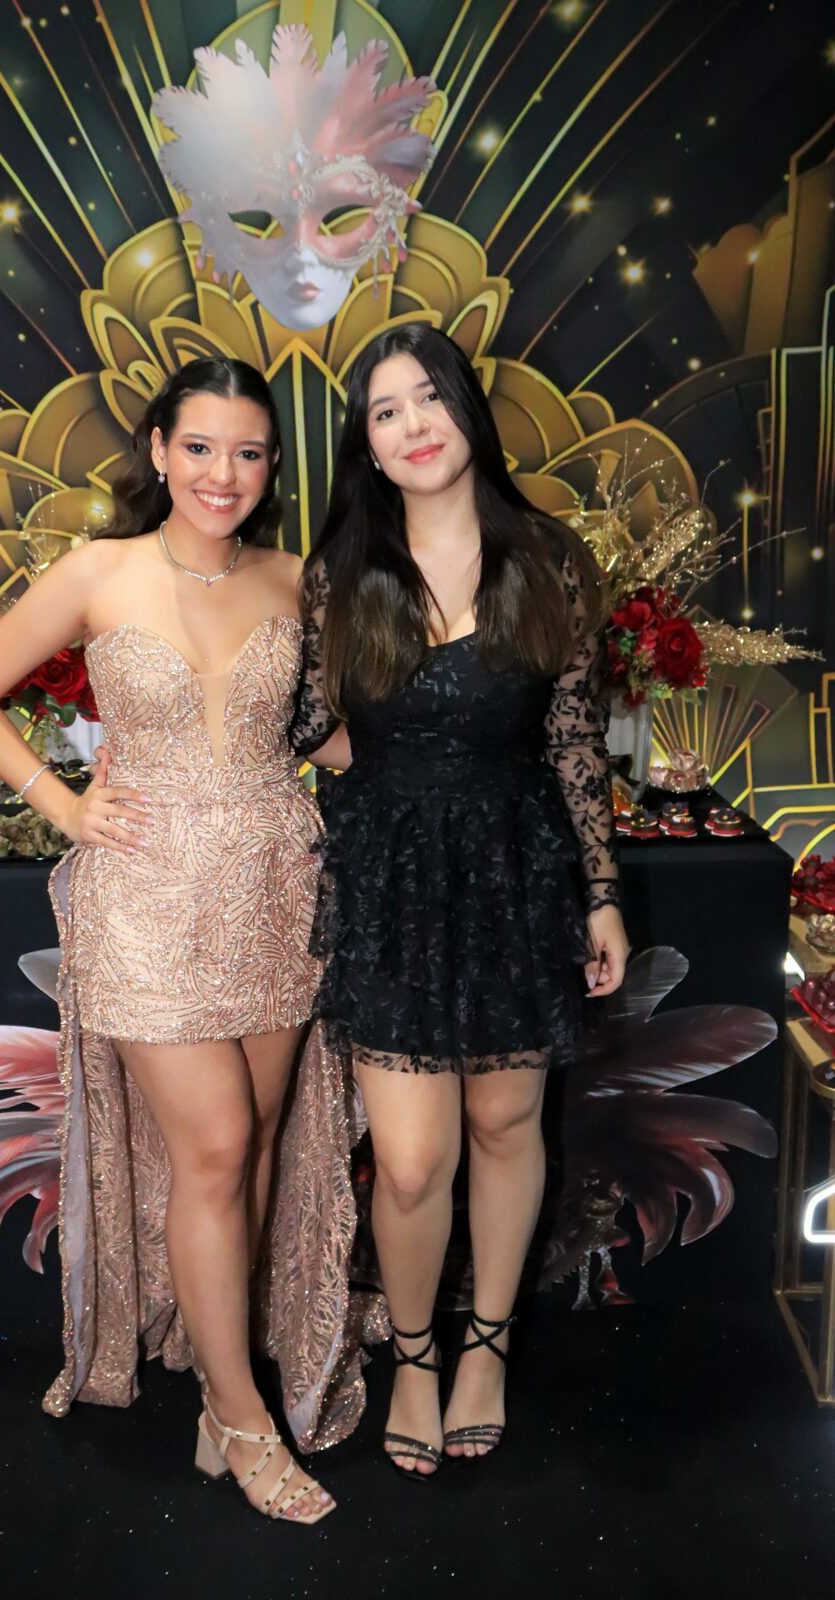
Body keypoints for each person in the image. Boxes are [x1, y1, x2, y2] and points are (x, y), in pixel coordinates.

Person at [0, 358, 348, 1525]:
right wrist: (60, 804)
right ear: (160, 450)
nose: (224, 473)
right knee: (213, 1143)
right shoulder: (98, 570)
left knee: (251, 1148)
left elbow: (328, 737)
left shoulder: (296, 579)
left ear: (270, 466)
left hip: (275, 887)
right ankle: (243, 1417)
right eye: (200, 447)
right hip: (146, 893)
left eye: (249, 452)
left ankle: (223, 1387)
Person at [290, 322, 629, 1479]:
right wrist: (389, 774)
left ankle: (484, 1347)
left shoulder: (547, 558)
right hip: (391, 886)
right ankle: (414, 1356)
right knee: (410, 1159)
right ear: (367, 445)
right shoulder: (340, 571)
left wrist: (599, 892)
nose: (411, 425)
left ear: (466, 409)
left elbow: (573, 740)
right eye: (384, 411)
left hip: (513, 876)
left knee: (503, 1126)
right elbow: (301, 723)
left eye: (427, 397)